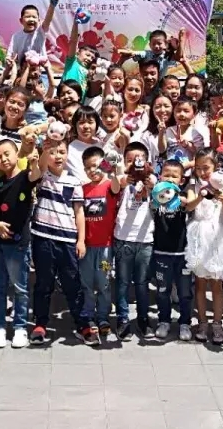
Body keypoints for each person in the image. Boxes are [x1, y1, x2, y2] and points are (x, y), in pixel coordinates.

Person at [29, 131, 91, 345]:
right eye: (53, 152)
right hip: (43, 238)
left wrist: (81, 240)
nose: (57, 156)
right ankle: (40, 324)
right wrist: (44, 150)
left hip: (67, 239)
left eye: (62, 152)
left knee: (72, 283)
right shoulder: (43, 176)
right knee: (43, 284)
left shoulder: (74, 181)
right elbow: (38, 169)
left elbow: (79, 212)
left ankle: (82, 324)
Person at [0, 134, 41, 349]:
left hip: (18, 242)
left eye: (7, 154)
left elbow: (35, 175)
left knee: (20, 287)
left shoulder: (26, 176)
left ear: (16, 154)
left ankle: (20, 327)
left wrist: (34, 162)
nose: (3, 159)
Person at [183, 148, 223, 343]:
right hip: (198, 235)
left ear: (216, 167)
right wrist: (200, 195)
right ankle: (202, 322)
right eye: (198, 168)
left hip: (218, 237)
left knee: (216, 284)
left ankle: (217, 323)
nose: (202, 172)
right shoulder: (193, 186)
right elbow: (189, 207)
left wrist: (222, 198)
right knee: (199, 283)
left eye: (206, 168)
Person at [113, 141, 156, 341]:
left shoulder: (151, 179)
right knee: (122, 282)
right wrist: (124, 179)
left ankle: (143, 319)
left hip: (146, 239)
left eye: (139, 160)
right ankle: (122, 319)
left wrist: (149, 183)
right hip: (123, 238)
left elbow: (157, 189)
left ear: (147, 161)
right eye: (129, 160)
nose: (134, 164)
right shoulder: (121, 179)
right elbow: (115, 187)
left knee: (142, 282)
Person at [80, 145, 121, 342]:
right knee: (87, 283)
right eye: (88, 167)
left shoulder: (109, 185)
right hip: (87, 247)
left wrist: (113, 171)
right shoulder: (83, 189)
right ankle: (88, 315)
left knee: (104, 282)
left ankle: (103, 316)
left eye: (95, 165)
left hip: (105, 247)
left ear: (103, 165)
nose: (92, 170)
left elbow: (117, 187)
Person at [150, 159, 193, 342]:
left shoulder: (183, 199)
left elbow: (189, 205)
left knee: (185, 292)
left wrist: (181, 200)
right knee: (162, 290)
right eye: (166, 175)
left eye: (174, 176)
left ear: (181, 180)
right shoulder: (155, 197)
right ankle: (164, 321)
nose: (170, 178)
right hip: (161, 252)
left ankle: (185, 323)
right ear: (160, 177)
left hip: (182, 253)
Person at [6, 1, 56, 69]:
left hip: (41, 70)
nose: (31, 19)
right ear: (21, 20)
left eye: (34, 17)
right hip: (23, 70)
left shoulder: (41, 31)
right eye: (28, 17)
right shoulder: (16, 36)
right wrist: (9, 60)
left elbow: (48, 19)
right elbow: (10, 53)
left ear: (38, 20)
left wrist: (52, 5)